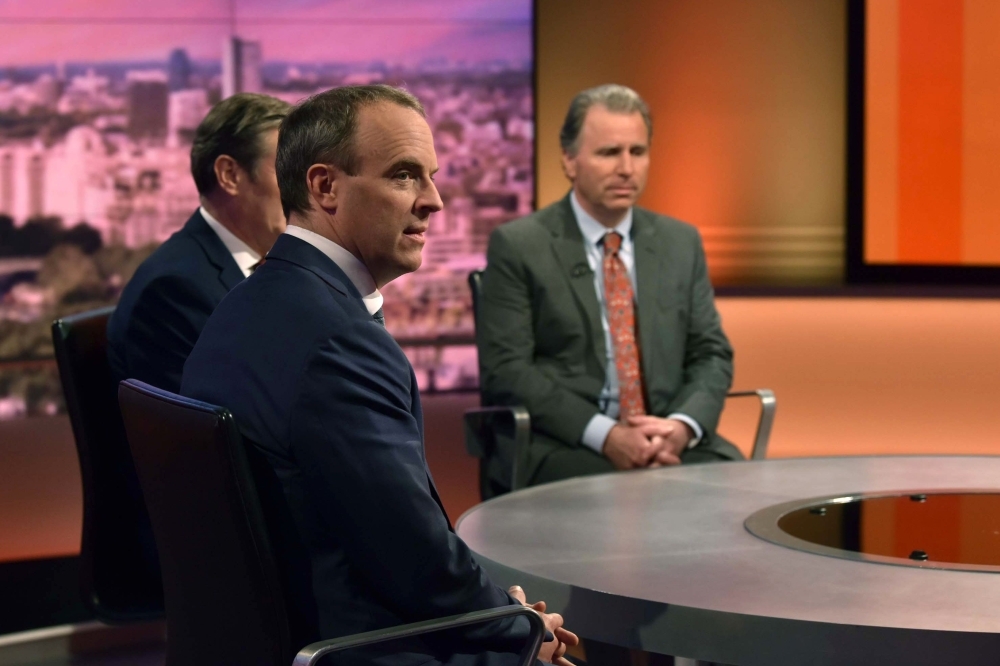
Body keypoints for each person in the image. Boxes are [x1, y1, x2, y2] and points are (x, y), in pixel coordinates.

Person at [181, 85, 577, 666]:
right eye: (404, 176)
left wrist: (501, 613)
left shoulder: (247, 304)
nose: (434, 200)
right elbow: (416, 562)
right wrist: (519, 628)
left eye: (431, 176)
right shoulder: (339, 341)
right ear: (324, 188)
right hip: (362, 646)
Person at [477, 84, 742, 495]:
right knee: (616, 501)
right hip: (568, 443)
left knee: (736, 492)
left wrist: (681, 427)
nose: (626, 168)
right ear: (569, 160)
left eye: (637, 152)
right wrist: (607, 436)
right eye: (608, 153)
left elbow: (711, 353)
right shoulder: (520, 245)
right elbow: (508, 371)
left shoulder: (680, 242)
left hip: (667, 439)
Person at [107, 92, 291, 392]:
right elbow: (208, 430)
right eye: (287, 171)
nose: (303, 192)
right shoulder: (174, 291)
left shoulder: (283, 267)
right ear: (230, 175)